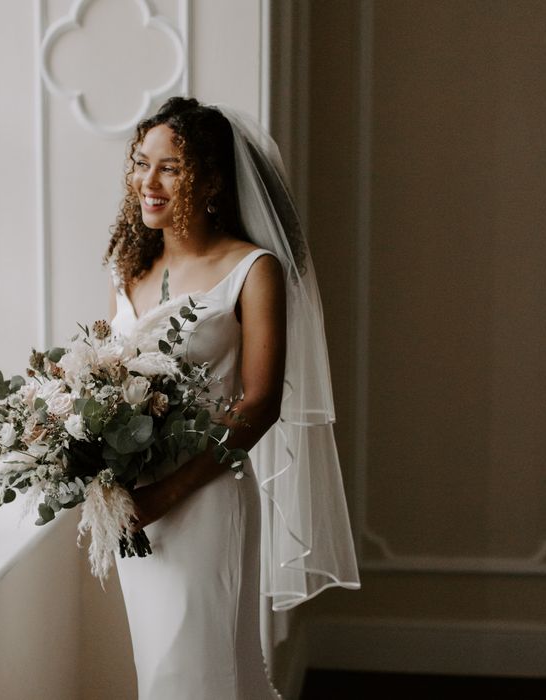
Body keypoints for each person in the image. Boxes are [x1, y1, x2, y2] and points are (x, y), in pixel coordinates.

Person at [105, 97, 360, 700]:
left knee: (192, 674)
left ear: (213, 177)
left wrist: (167, 493)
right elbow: (111, 386)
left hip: (203, 499)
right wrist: (99, 472)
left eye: (171, 167)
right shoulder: (127, 266)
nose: (148, 181)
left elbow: (261, 403)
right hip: (136, 511)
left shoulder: (253, 269)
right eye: (142, 163)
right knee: (170, 670)